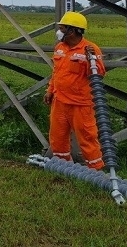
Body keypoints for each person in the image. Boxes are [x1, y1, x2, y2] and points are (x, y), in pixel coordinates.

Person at [43, 11, 106, 169]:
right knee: (57, 138)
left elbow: (99, 74)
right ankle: (63, 167)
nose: (59, 32)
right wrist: (50, 90)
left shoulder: (90, 49)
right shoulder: (60, 48)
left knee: (87, 139)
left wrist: (89, 60)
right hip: (59, 101)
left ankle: (97, 172)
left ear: (72, 30)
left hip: (80, 104)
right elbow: (56, 72)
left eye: (63, 28)